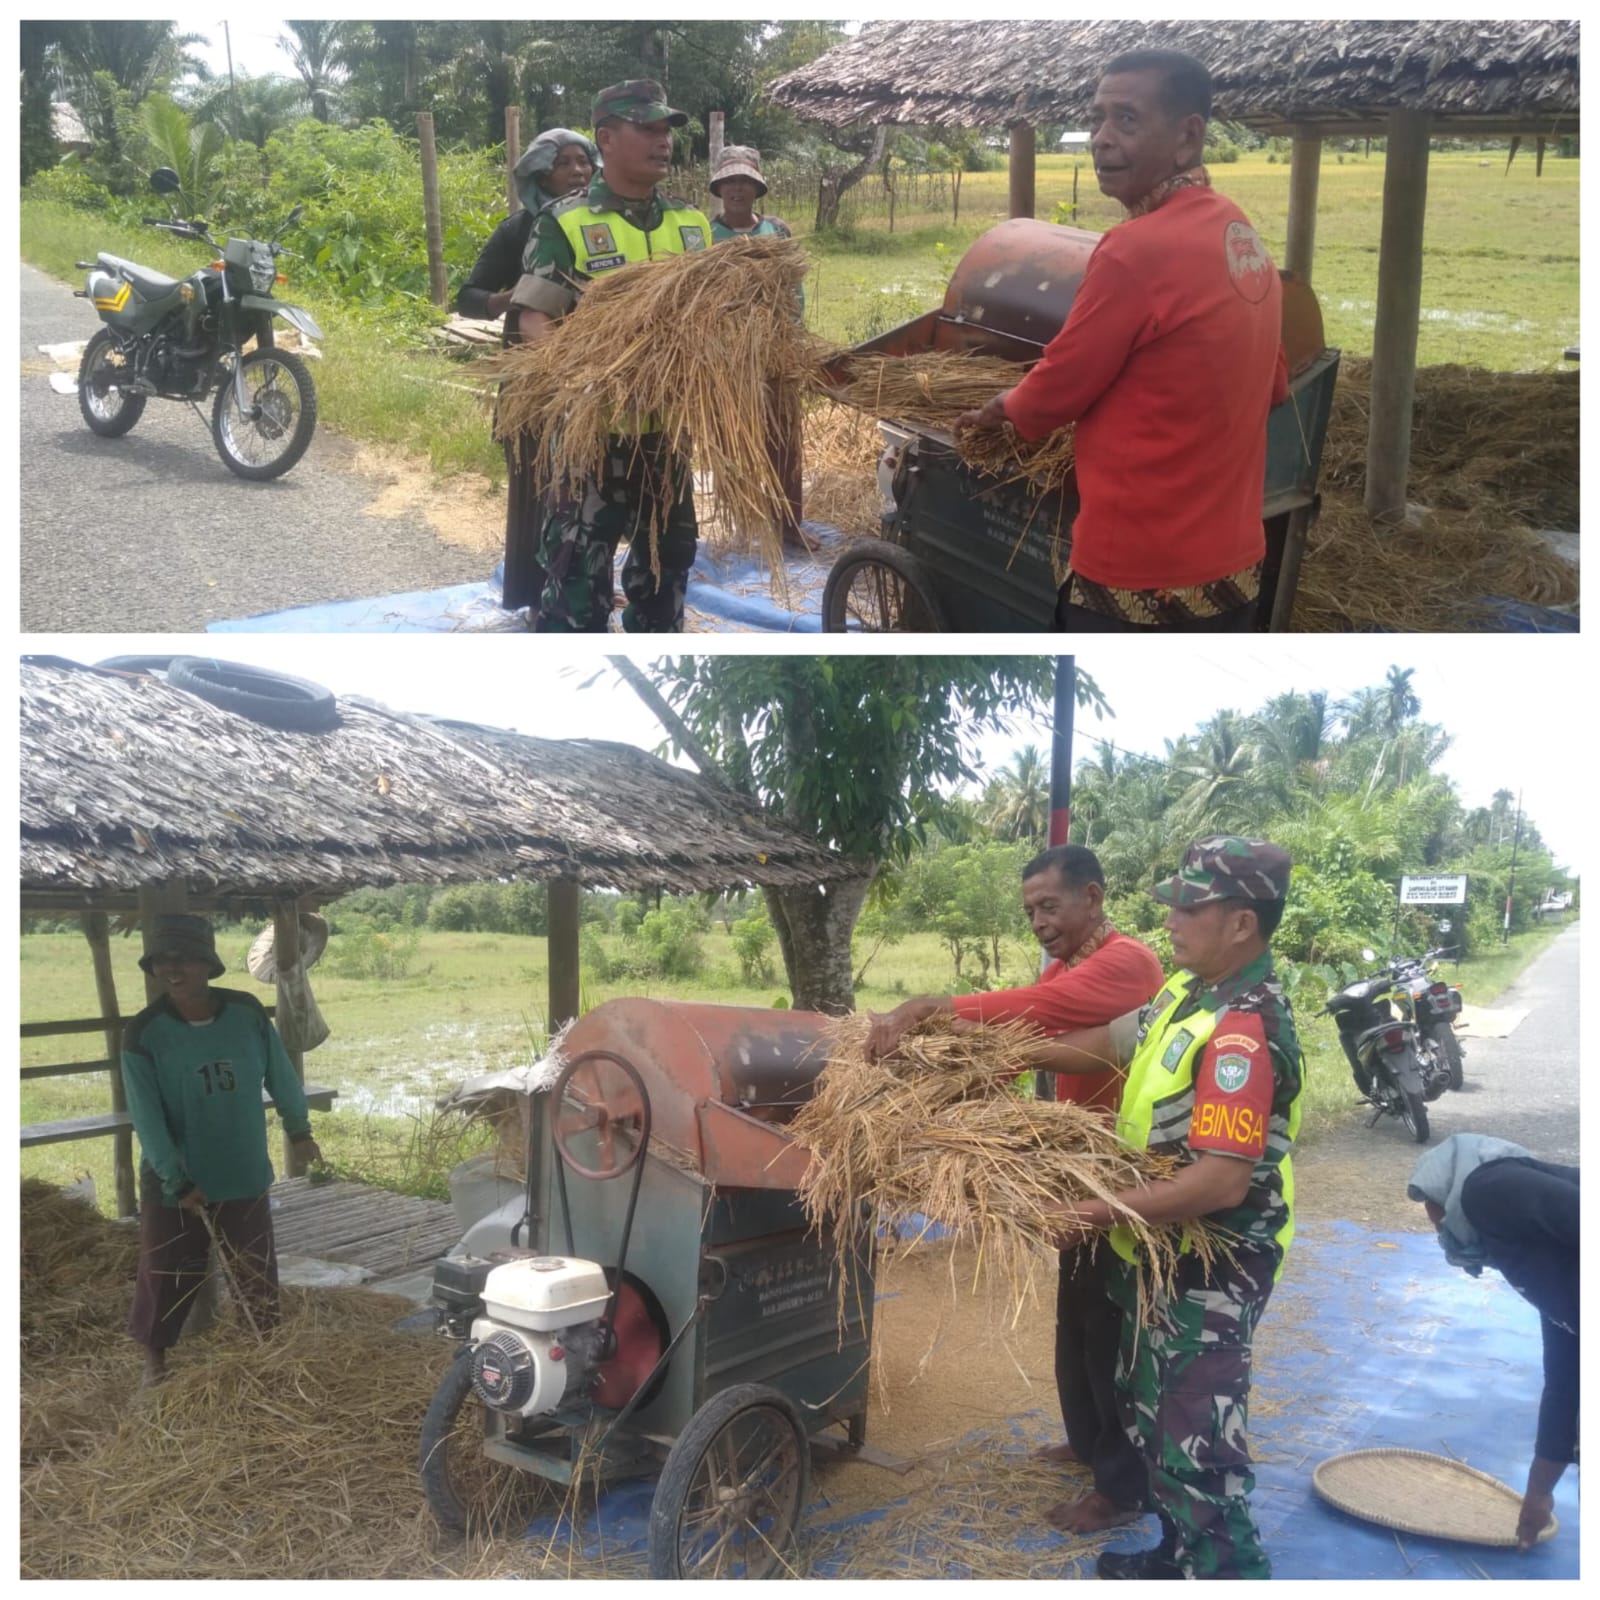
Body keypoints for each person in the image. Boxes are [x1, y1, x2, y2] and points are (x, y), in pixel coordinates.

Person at [1019, 836, 1301, 1579]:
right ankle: (1178, 1554)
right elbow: (1113, 1045)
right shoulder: (1187, 993)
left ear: (1241, 924)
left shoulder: (1244, 1029)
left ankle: (1224, 1570)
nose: (1170, 920)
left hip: (1213, 1262)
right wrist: (1006, 1054)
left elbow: (1220, 1184)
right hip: (1158, 1247)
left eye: (1189, 908)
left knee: (1195, 1432)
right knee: (1153, 1410)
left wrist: (1093, 1211)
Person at [868, 845, 1164, 1535]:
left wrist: (935, 1008)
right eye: (1030, 910)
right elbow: (1025, 1043)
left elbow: (1038, 1010)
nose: (1039, 922)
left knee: (1113, 1332)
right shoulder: (1065, 966)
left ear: (1093, 897)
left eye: (1050, 906)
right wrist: (936, 1095)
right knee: (1077, 1317)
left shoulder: (1128, 964)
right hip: (1076, 1172)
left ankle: (1120, 1487)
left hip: (1124, 1175)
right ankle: (1087, 1444)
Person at [953, 50, 1289, 633]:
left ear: (1188, 137)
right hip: (1235, 571)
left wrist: (1001, 408)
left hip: (1141, 577)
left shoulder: (1135, 250)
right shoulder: (1240, 233)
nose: (1101, 139)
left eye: (1126, 119)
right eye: (1098, 119)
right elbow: (1275, 381)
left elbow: (1062, 384)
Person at [506, 80, 713, 632]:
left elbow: (716, 320)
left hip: (668, 436)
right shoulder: (565, 221)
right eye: (647, 128)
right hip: (592, 438)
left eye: (666, 129)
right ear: (606, 138)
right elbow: (535, 318)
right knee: (576, 575)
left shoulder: (692, 224)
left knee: (669, 565)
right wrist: (582, 382)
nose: (663, 140)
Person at [121, 915, 321, 1386]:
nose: (173, 970)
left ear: (208, 964)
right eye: (162, 961)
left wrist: (299, 1130)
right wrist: (177, 1180)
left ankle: (267, 1351)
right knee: (167, 1270)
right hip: (177, 1181)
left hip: (242, 1169)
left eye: (185, 959)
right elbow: (146, 1119)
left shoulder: (245, 1013)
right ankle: (155, 1364)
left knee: (255, 1267)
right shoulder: (144, 1033)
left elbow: (281, 1074)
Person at [1407, 1135, 1579, 1552]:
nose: (1435, 1227)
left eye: (1430, 1203)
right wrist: (1538, 1492)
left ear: (1446, 1188)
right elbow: (1565, 1385)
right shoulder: (1530, 1260)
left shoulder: (1486, 1188)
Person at [456, 128, 601, 615]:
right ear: (541, 174)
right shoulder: (518, 230)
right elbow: (467, 297)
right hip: (531, 378)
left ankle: (586, 586)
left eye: (584, 161)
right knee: (538, 486)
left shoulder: (598, 224)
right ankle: (536, 596)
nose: (578, 171)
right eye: (565, 163)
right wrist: (512, 298)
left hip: (590, 376)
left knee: (590, 489)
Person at [707, 144, 809, 552]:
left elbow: (794, 291)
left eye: (745, 181)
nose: (737, 188)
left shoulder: (776, 231)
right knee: (734, 438)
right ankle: (745, 526)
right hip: (727, 354)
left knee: (784, 437)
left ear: (757, 187)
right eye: (730, 181)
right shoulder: (705, 236)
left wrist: (793, 334)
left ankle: (790, 525)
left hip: (776, 350)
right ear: (719, 187)